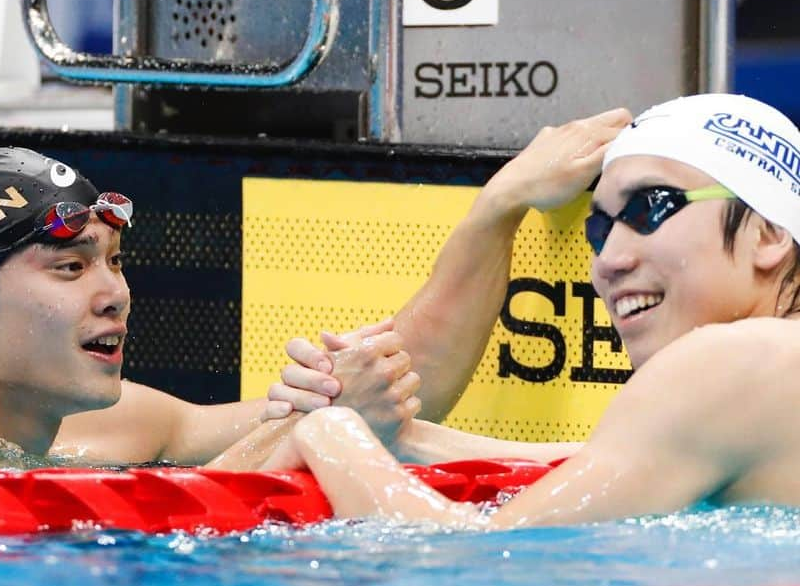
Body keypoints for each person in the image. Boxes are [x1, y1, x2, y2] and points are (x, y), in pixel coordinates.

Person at [0, 105, 624, 470]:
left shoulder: (115, 428)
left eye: (114, 260)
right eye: (71, 267)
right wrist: (323, 426)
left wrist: (500, 204)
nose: (113, 291)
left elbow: (405, 384)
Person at [243, 93, 800, 524]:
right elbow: (603, 461)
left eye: (648, 208)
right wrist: (408, 442)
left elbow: (478, 557)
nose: (608, 261)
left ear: (770, 232)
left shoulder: (735, 358)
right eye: (599, 230)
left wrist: (332, 438)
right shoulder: (766, 378)